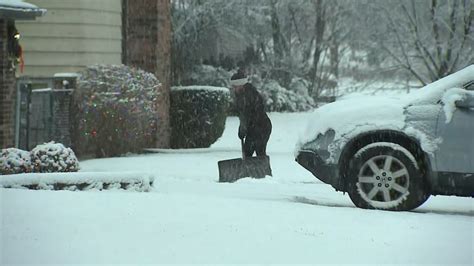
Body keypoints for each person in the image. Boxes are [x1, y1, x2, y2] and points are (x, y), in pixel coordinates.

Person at [230, 69, 272, 158]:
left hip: (261, 127)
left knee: (259, 152)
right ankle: (251, 171)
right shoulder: (242, 95)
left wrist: (244, 128)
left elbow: (248, 114)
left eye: (235, 86)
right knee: (248, 153)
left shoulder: (248, 95)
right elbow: (243, 115)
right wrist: (242, 128)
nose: (233, 88)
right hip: (253, 127)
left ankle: (262, 171)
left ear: (241, 85)